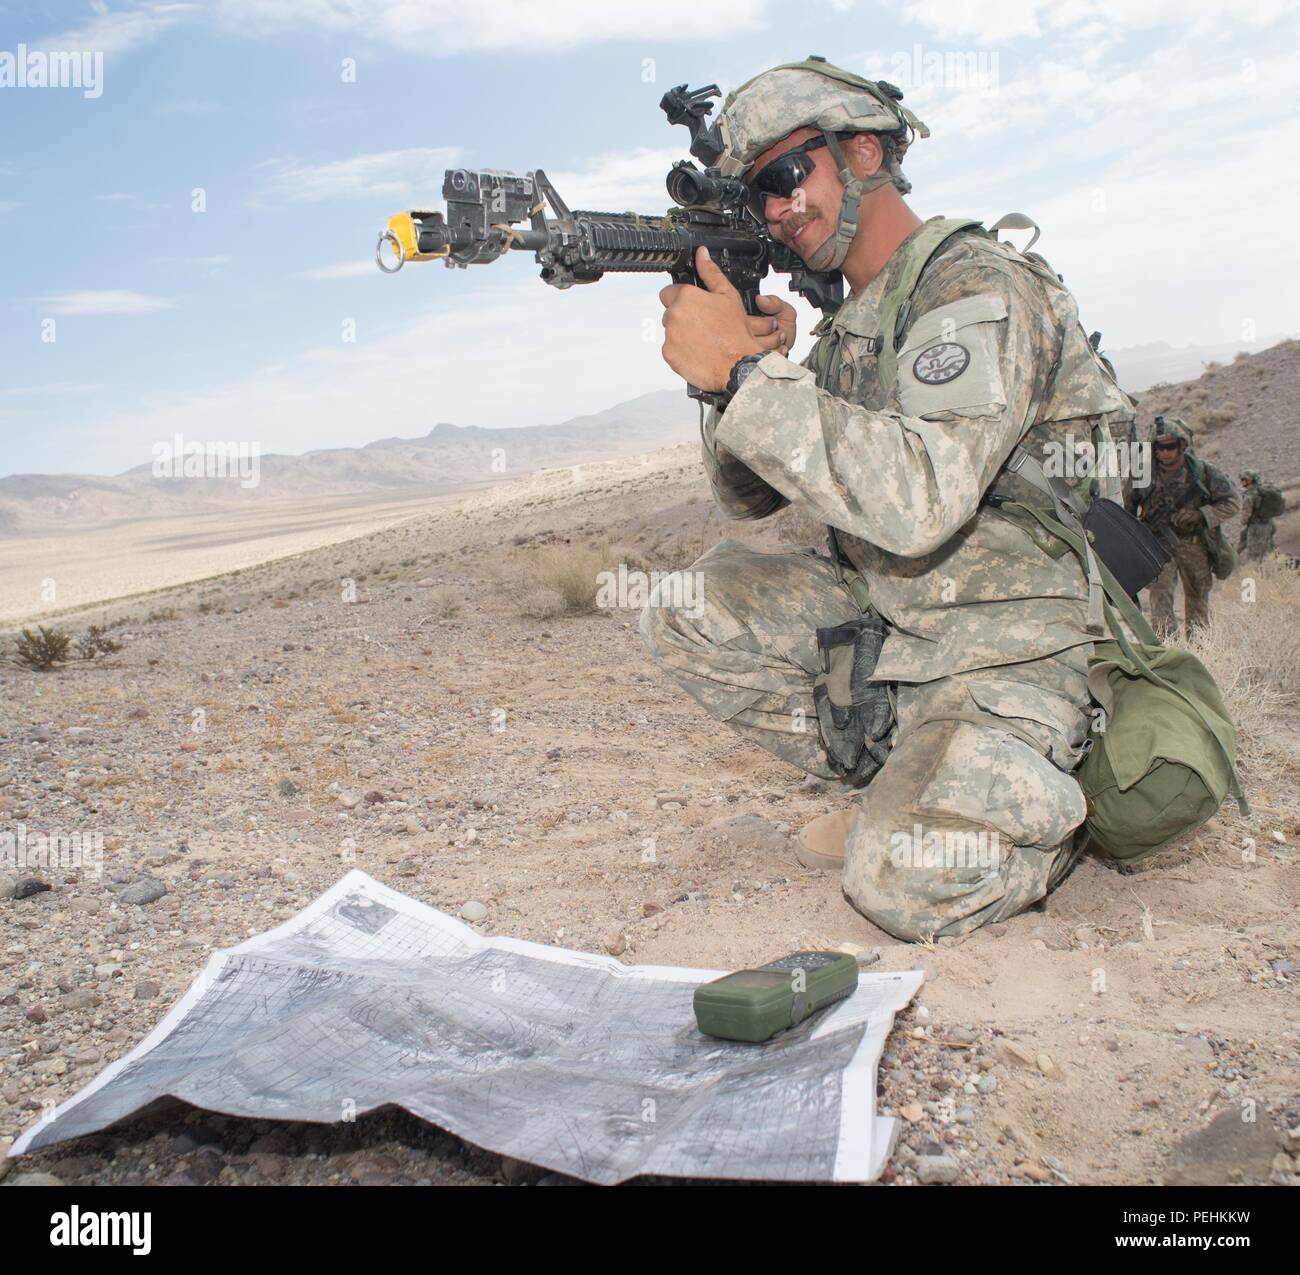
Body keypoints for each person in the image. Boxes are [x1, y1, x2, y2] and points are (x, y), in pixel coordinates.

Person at [640, 56, 1136, 942]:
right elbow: (744, 497)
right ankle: (902, 779)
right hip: (895, 630)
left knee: (899, 882)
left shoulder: (974, 284)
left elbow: (920, 500)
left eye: (788, 177)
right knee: (689, 603)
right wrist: (736, 377)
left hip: (1004, 646)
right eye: (760, 200)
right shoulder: (850, 326)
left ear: (862, 153)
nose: (781, 212)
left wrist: (751, 375)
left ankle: (1039, 804)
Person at [1128, 417, 1239, 636]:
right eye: (1160, 447)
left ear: (1182, 445)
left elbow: (1232, 502)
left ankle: (1199, 650)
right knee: (1160, 597)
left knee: (1197, 598)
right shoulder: (1143, 474)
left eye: (1170, 446)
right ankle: (1167, 650)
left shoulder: (1203, 472)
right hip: (1158, 545)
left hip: (1194, 544)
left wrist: (1201, 515)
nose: (1165, 452)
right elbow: (1128, 507)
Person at [1237, 469, 1282, 562]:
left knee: (1254, 557)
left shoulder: (1250, 495)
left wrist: (1243, 521)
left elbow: (1245, 515)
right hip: (1270, 524)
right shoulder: (1263, 491)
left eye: (1243, 479)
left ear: (1249, 480)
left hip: (1257, 528)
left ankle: (1257, 574)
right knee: (1270, 553)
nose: (1241, 482)